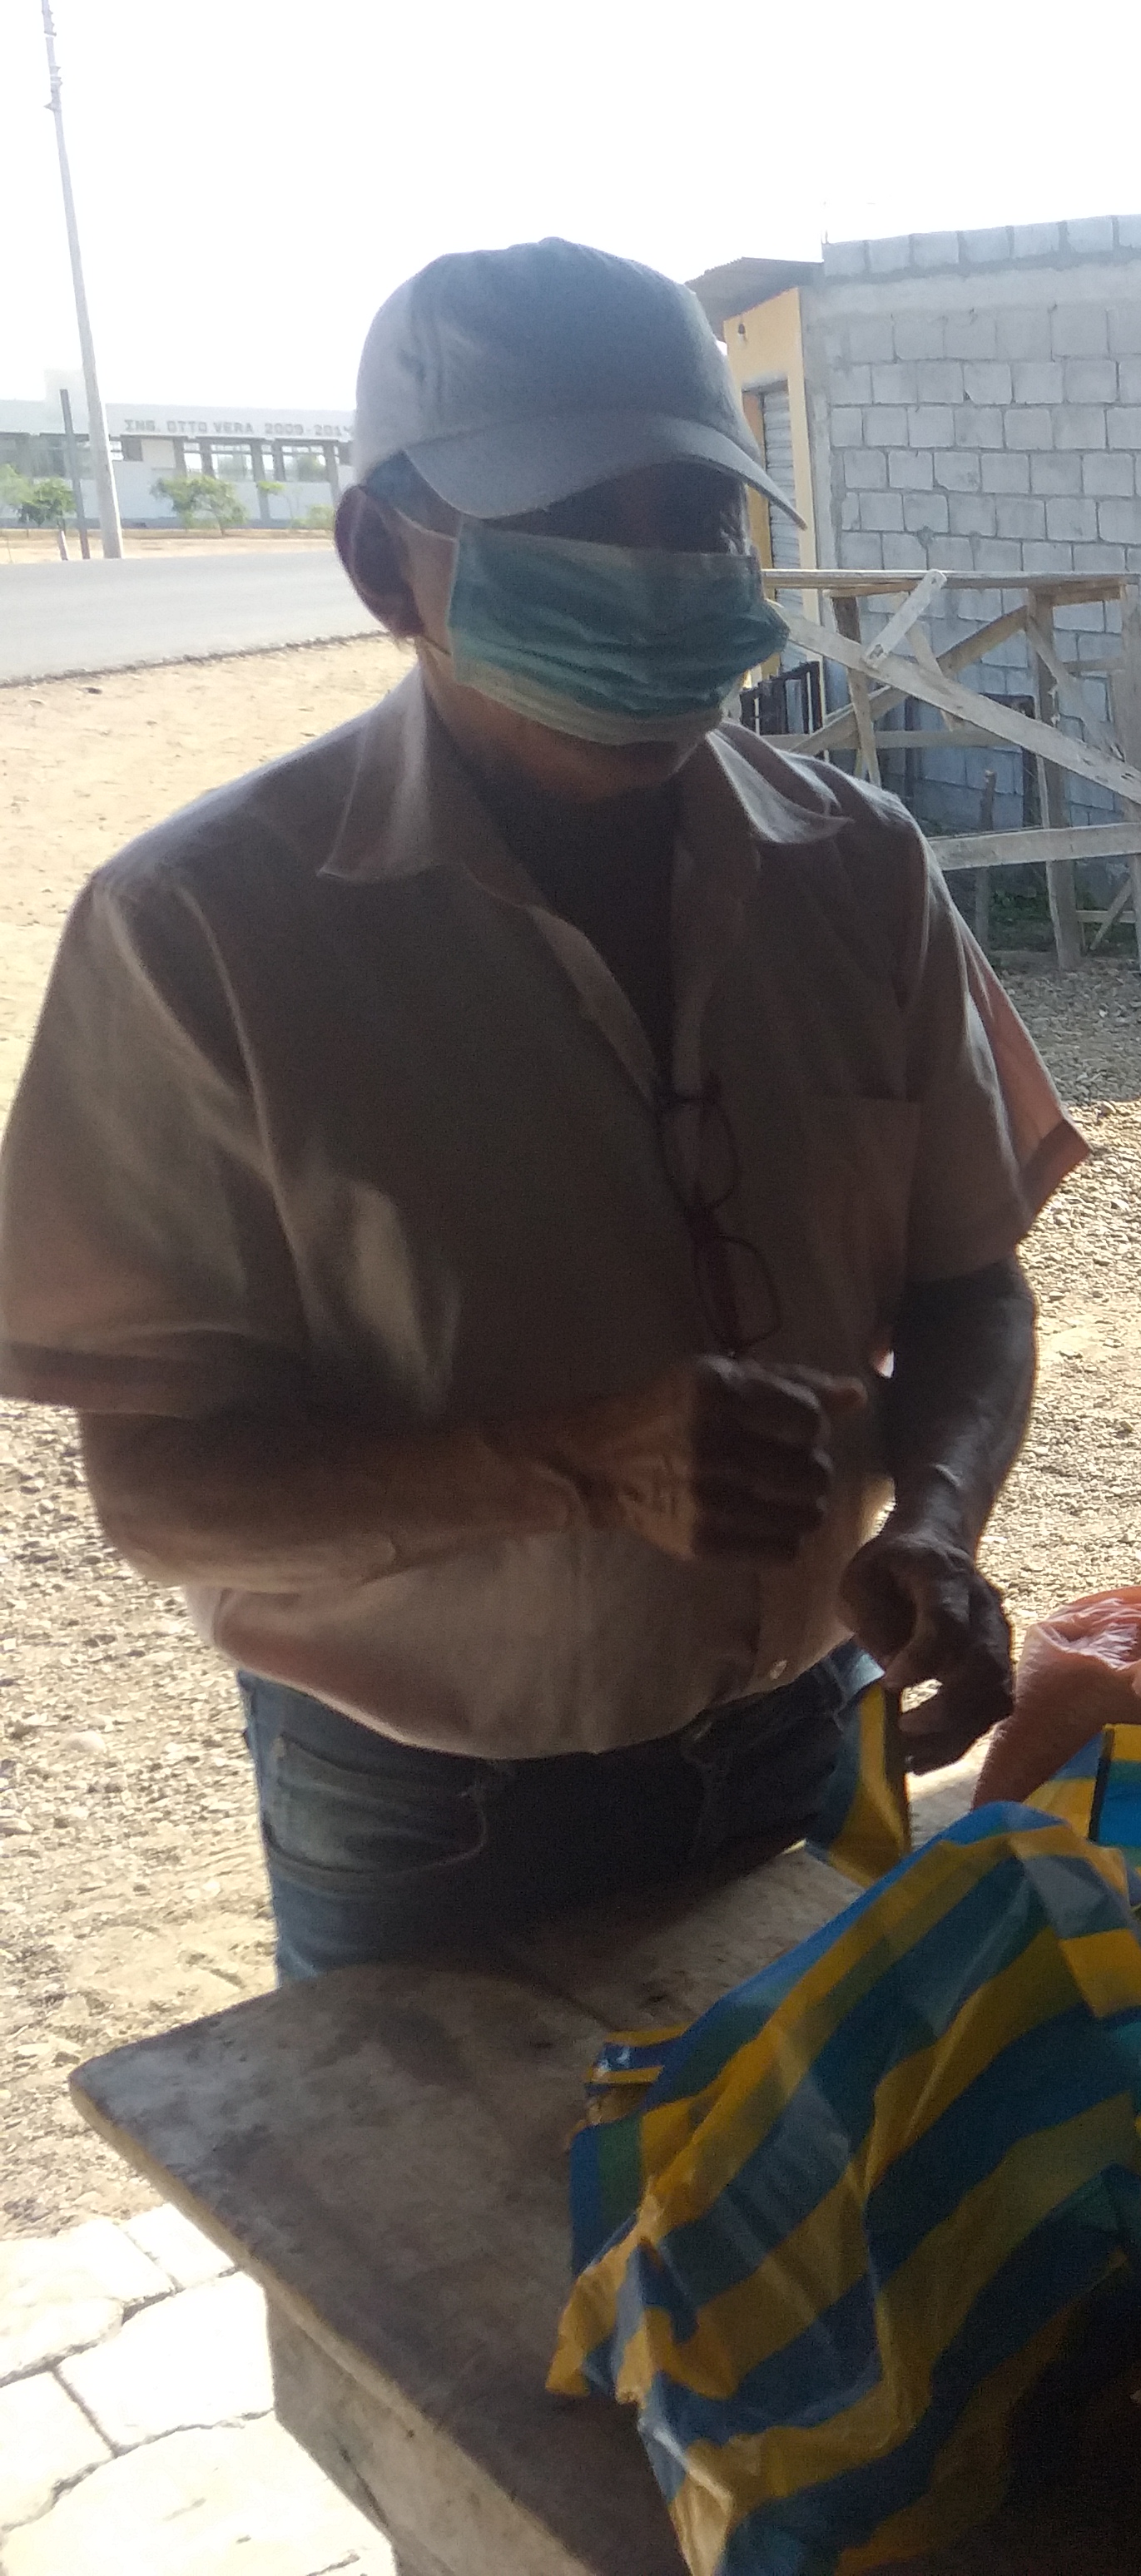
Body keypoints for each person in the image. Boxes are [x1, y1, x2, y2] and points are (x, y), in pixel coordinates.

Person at [0, 238, 1084, 1979]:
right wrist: (572, 1464)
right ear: (384, 561)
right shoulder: (200, 933)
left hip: (807, 1729)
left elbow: (971, 1286)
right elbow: (164, 1496)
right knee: (448, 2178)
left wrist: (938, 1522)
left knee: (808, 2154)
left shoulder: (860, 870)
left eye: (698, 520)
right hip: (435, 1815)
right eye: (575, 521)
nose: (655, 580)